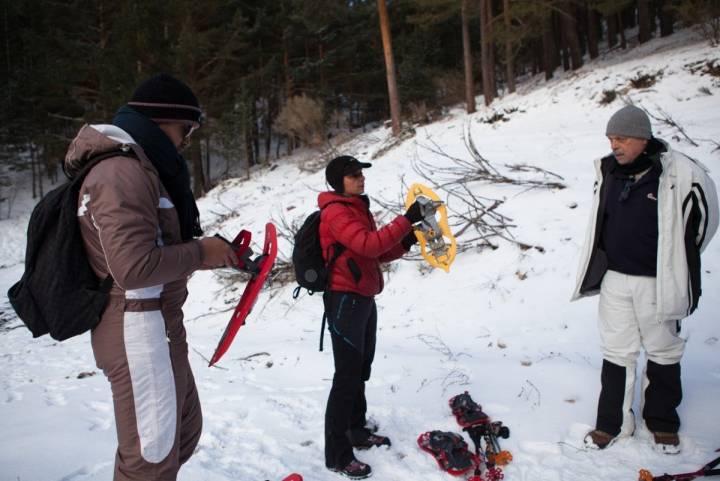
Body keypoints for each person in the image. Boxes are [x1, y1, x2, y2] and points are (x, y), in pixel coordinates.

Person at [64, 73, 237, 480]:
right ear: (161, 121)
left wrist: (209, 254)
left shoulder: (142, 168)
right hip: (135, 327)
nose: (184, 143)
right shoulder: (120, 173)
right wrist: (199, 252)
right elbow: (132, 269)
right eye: (185, 131)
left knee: (182, 435)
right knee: (150, 460)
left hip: (159, 324)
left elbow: (153, 250)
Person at [572, 105, 718, 454]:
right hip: (616, 279)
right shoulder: (608, 170)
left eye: (621, 138)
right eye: (610, 139)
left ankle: (662, 422)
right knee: (616, 350)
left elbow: (706, 220)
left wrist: (680, 259)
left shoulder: (678, 172)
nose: (615, 146)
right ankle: (612, 425)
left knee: (663, 349)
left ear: (642, 137)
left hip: (658, 281)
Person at [319, 155, 423, 479]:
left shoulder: (357, 208)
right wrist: (405, 220)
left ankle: (356, 430)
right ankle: (338, 455)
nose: (360, 179)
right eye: (353, 175)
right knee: (346, 377)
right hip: (344, 300)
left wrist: (405, 241)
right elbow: (365, 244)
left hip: (362, 297)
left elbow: (374, 251)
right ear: (339, 182)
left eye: (361, 173)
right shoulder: (335, 211)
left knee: (360, 369)